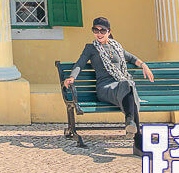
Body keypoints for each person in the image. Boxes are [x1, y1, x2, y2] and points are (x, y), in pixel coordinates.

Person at [62, 16, 154, 155]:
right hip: (105, 88)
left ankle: (131, 125)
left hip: (121, 87)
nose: (98, 33)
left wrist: (144, 65)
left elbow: (132, 58)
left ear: (109, 31)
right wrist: (72, 77)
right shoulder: (91, 48)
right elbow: (80, 63)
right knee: (129, 89)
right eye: (95, 30)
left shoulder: (116, 47)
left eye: (102, 30)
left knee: (128, 86)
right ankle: (136, 137)